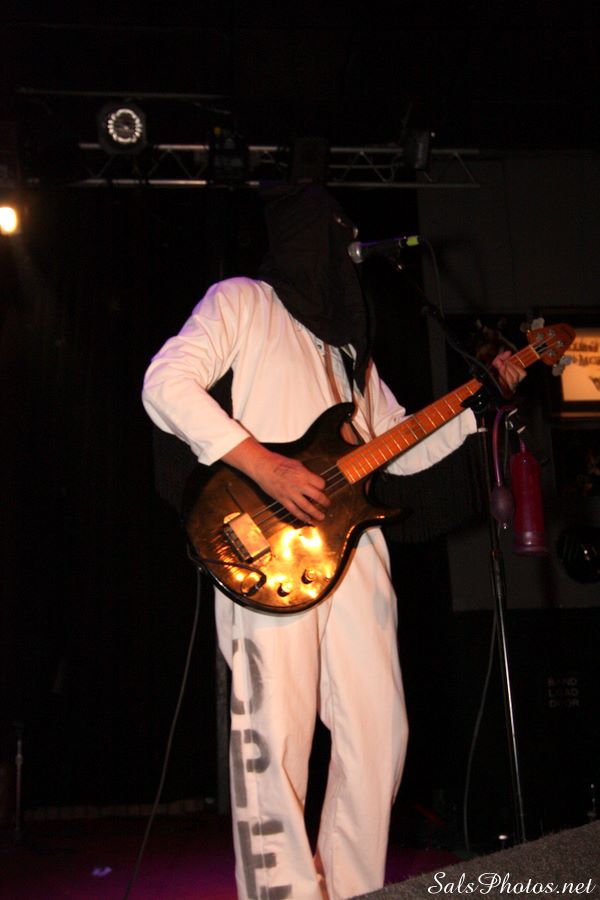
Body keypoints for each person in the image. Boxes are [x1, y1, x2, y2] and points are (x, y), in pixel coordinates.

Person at [142, 184, 524, 900]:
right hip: (265, 549)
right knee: (275, 740)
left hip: (352, 555)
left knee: (379, 733)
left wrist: (480, 402)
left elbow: (400, 444)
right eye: (334, 238)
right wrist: (266, 466)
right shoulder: (242, 302)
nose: (345, 253)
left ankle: (351, 887)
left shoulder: (350, 352)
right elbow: (165, 383)